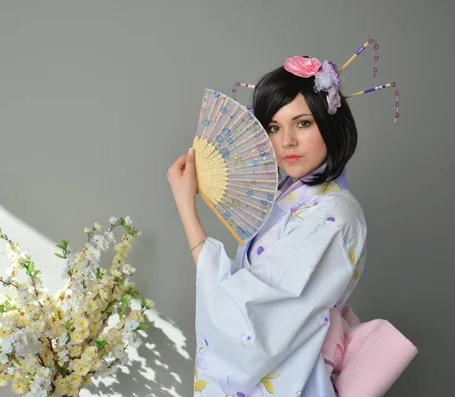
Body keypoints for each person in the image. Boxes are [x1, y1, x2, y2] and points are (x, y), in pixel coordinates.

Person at [167, 54, 415, 397]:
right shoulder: (289, 197)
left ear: (330, 124)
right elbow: (249, 289)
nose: (286, 142)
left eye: (303, 123)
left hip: (293, 379)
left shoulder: (335, 215)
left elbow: (247, 317)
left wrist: (186, 211)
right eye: (273, 127)